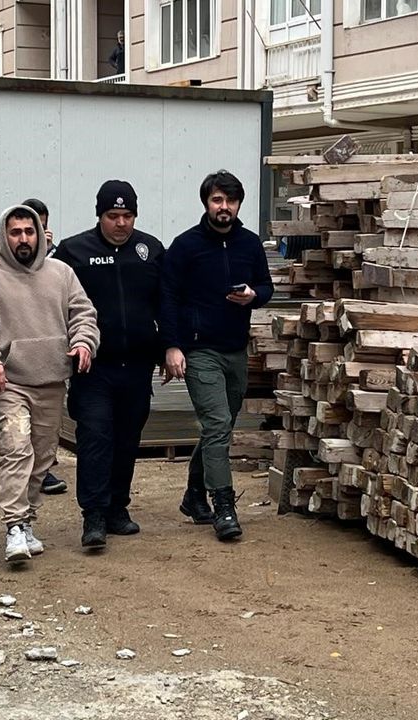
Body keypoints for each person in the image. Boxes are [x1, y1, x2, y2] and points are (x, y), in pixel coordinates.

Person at [0, 205, 99, 563]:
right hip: (8, 381)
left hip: (52, 378)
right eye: (15, 232)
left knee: (42, 456)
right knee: (16, 448)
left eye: (29, 231)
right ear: (3, 235)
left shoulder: (62, 273)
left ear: (39, 234)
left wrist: (84, 342)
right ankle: (13, 526)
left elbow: (84, 313)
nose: (23, 238)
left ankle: (27, 521)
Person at [160, 170, 273, 541]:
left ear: (239, 204)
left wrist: (253, 296)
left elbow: (267, 287)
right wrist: (171, 346)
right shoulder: (185, 246)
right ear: (206, 203)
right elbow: (167, 298)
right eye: (217, 200)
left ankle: (194, 495)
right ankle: (223, 506)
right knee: (219, 421)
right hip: (199, 350)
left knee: (218, 427)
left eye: (231, 200)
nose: (224, 207)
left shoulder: (250, 244)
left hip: (235, 349)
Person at [52, 180, 165, 547]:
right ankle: (94, 515)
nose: (121, 223)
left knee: (127, 439)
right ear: (99, 215)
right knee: (96, 437)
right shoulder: (73, 252)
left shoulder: (151, 250)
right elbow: (51, 298)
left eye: (127, 215)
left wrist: (168, 347)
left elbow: (166, 304)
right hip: (94, 368)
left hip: (138, 366)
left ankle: (118, 507)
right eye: (113, 215)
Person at [0, 197, 68, 495]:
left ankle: (36, 482)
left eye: (36, 230)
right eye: (16, 232)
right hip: (1, 366)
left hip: (44, 367)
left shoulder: (56, 265)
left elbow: (77, 306)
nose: (26, 238)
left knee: (39, 440)